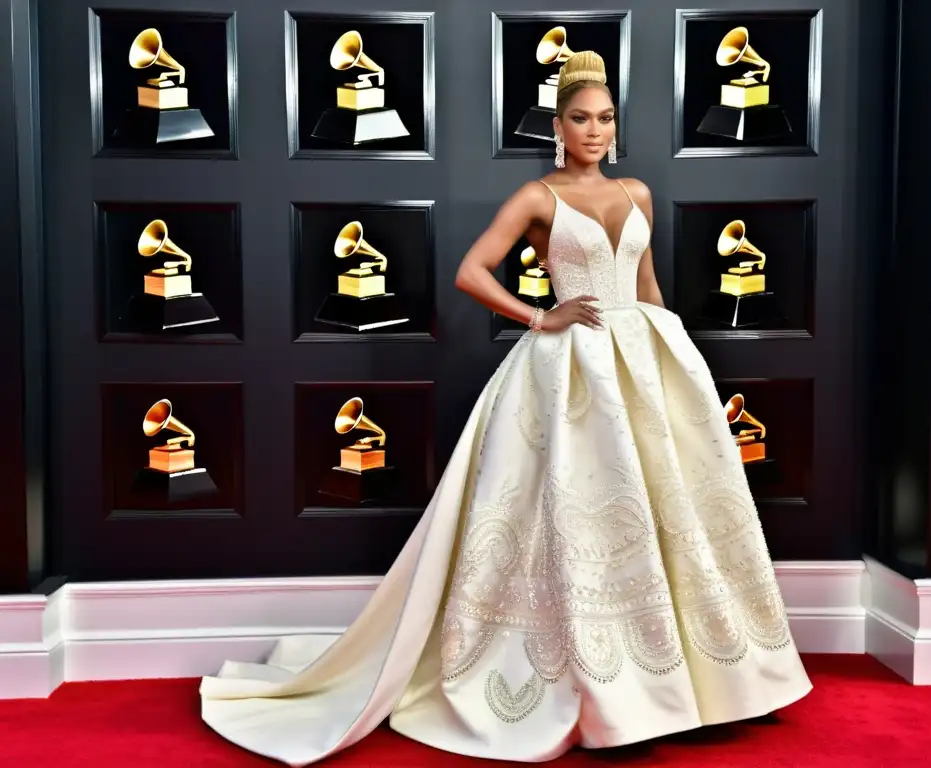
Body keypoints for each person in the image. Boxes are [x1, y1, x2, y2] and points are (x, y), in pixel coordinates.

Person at [198, 50, 812, 766]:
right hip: (571, 371)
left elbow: (647, 285)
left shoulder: (638, 193)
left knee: (673, 508)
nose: (595, 131)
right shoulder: (537, 197)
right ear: (558, 125)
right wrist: (538, 316)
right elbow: (469, 271)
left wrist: (672, 366)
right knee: (576, 508)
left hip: (645, 358)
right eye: (581, 119)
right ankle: (601, 686)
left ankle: (697, 683)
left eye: (606, 119)